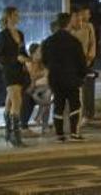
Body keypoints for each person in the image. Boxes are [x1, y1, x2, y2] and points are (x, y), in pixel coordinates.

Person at [42, 13, 88, 143]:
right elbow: (81, 62)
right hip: (72, 78)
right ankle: (74, 133)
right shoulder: (74, 42)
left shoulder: (49, 41)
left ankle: (59, 134)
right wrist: (82, 76)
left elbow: (45, 60)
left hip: (55, 79)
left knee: (58, 106)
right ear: (68, 23)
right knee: (75, 105)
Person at [0, 7, 31, 147]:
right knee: (17, 101)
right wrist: (15, 58)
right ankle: (16, 135)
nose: (18, 17)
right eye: (15, 14)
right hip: (9, 71)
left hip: (19, 71)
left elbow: (23, 51)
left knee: (10, 101)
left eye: (18, 14)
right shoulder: (3, 35)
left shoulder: (20, 33)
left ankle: (9, 132)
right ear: (8, 16)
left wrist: (27, 59)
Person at [70, 6, 97, 127]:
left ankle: (88, 114)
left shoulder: (88, 27)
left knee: (87, 88)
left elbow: (92, 43)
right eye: (85, 14)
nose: (87, 16)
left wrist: (90, 57)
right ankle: (76, 115)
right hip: (72, 63)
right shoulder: (70, 28)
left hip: (85, 62)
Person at [24, 43, 52, 133]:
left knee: (48, 93)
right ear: (33, 54)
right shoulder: (28, 63)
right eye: (39, 51)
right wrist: (41, 74)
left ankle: (41, 119)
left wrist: (41, 75)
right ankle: (44, 124)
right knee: (47, 96)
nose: (41, 53)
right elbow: (32, 77)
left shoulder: (42, 63)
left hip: (43, 88)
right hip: (34, 89)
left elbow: (47, 73)